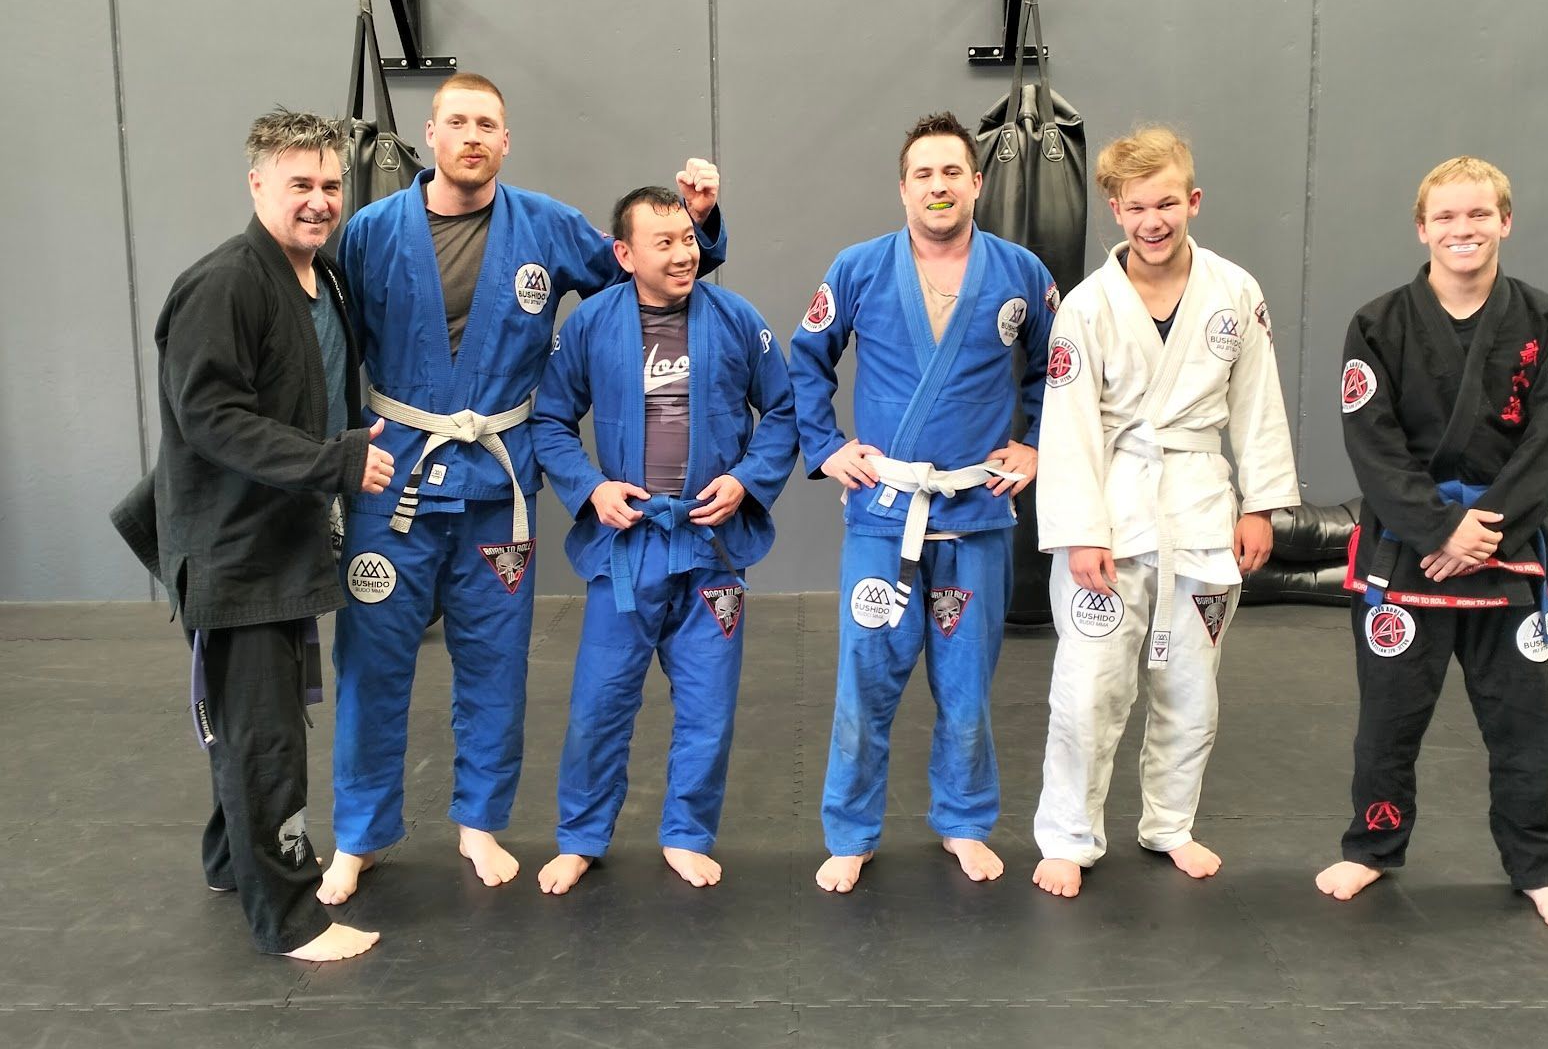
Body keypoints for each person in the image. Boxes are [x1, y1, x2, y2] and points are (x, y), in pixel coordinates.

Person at [319, 73, 723, 904]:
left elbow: (642, 271)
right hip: (394, 478)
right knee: (372, 665)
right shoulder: (367, 233)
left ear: (506, 142)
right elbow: (327, 344)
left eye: (487, 125)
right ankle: (357, 836)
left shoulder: (543, 225)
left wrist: (696, 226)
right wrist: (334, 454)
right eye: (457, 121)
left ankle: (479, 820)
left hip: (498, 484)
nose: (472, 135)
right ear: (428, 134)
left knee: (495, 662)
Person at [111, 109, 394, 960]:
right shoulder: (225, 283)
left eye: (331, 185)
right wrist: (334, 461)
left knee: (250, 721)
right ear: (257, 184)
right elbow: (210, 417)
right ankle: (291, 917)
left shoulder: (322, 279)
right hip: (234, 551)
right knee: (263, 732)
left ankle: (233, 862)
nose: (318, 201)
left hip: (283, 540)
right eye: (300, 184)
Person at [1314, 156, 1548, 929]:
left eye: (1477, 215)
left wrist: (1482, 530)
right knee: (1389, 718)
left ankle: (1538, 864)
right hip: (1409, 550)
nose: (1461, 230)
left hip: (1506, 551)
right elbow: (1371, 444)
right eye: (1445, 217)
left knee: (1521, 720)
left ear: (1504, 220)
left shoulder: (1546, 321)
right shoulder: (1377, 323)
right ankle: (1370, 847)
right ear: (1421, 227)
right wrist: (1439, 527)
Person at [1029, 127, 1300, 898]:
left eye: (1168, 203)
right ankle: (1068, 835)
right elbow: (1069, 424)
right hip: (1112, 510)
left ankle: (1170, 823)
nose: (1154, 220)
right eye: (1138, 206)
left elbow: (1256, 405)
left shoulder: (1234, 291)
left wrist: (1261, 504)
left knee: (1191, 686)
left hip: (1204, 512)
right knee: (1088, 689)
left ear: (1193, 200)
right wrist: (1080, 531)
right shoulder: (1085, 307)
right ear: (1115, 209)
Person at [789, 110, 1055, 893]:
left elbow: (1057, 370)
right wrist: (827, 444)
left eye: (951, 173)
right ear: (901, 188)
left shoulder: (1020, 273)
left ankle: (965, 820)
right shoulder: (858, 267)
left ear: (975, 182)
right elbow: (807, 358)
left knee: (968, 684)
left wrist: (1035, 443)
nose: (937, 186)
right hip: (883, 510)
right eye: (922, 175)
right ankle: (850, 829)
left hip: (973, 512)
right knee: (865, 678)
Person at [531, 186, 798, 892]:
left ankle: (685, 831)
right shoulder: (590, 326)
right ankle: (581, 835)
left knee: (708, 704)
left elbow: (781, 409)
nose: (684, 253)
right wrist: (591, 487)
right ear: (624, 254)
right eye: (665, 242)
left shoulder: (736, 318)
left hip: (709, 547)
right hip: (629, 547)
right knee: (599, 701)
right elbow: (549, 420)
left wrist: (745, 479)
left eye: (688, 238)